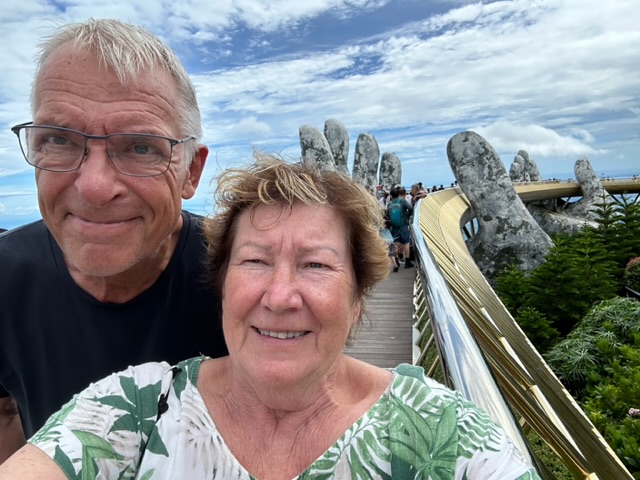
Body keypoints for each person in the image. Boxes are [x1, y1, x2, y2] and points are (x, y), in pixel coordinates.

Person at [0, 155, 541, 479]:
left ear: (358, 298)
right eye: (255, 262)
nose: (280, 296)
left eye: (315, 265)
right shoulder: (135, 410)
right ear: (223, 286)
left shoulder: (445, 434)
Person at [0, 19, 228, 463]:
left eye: (140, 147)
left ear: (191, 172)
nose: (95, 187)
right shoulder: (6, 278)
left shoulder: (243, 280)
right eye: (59, 140)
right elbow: (6, 414)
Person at [387, 186, 415, 268]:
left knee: (396, 242)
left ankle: (396, 260)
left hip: (394, 225)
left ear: (391, 195)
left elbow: (388, 213)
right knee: (406, 243)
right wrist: (407, 215)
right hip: (403, 224)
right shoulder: (402, 201)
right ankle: (407, 261)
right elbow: (410, 208)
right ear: (398, 194)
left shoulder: (390, 203)